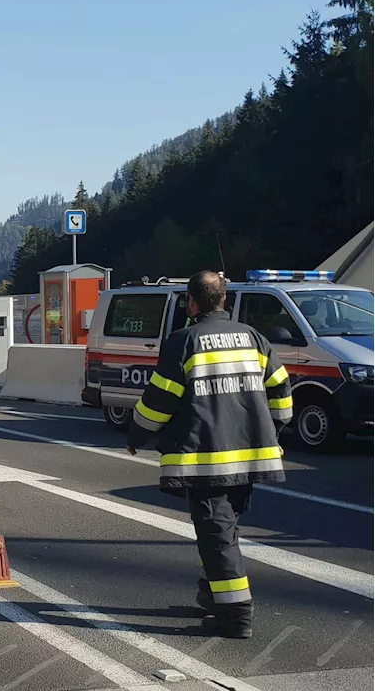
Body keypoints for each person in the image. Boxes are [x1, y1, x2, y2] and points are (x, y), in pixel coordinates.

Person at [128, 271, 291, 640]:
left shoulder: (184, 342)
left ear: (192, 303)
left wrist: (136, 433)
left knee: (217, 537)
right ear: (225, 300)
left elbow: (159, 402)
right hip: (251, 457)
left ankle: (235, 615)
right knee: (222, 532)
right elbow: (281, 388)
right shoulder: (254, 338)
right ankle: (213, 596)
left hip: (206, 459)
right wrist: (275, 430)